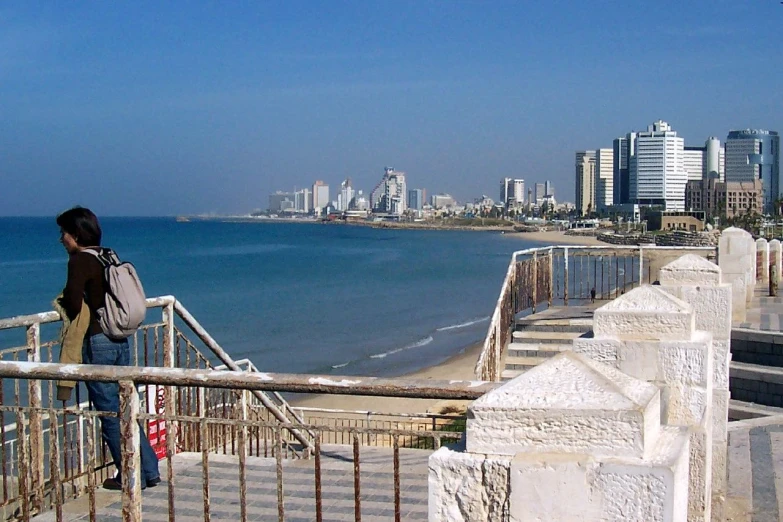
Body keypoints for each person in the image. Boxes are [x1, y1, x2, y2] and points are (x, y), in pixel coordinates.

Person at [57, 206, 160, 491]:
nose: (61, 239)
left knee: (111, 415)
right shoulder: (107, 254)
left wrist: (62, 304)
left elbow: (75, 303)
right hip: (120, 339)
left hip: (98, 340)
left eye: (63, 233)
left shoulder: (79, 261)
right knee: (126, 409)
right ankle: (149, 470)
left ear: (76, 234)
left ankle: (130, 474)